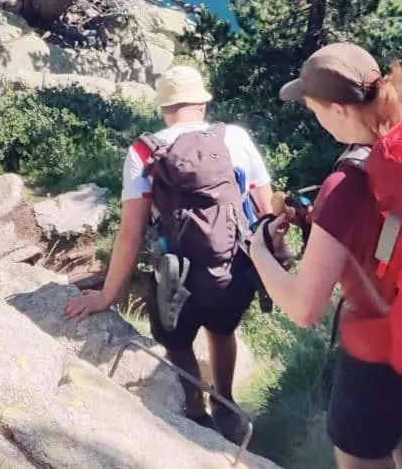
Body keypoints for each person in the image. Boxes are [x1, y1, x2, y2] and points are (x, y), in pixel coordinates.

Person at [244, 43, 402, 469]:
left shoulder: (345, 185)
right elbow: (383, 233)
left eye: (314, 109)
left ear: (337, 109)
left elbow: (303, 308)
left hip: (378, 347)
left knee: (358, 460)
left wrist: (258, 251)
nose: (315, 119)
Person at [63, 64, 273, 439]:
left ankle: (194, 411)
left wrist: (106, 296)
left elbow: (131, 231)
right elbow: (264, 207)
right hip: (235, 267)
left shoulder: (144, 151)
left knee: (176, 342)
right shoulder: (235, 138)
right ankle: (225, 403)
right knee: (222, 332)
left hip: (177, 272)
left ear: (164, 108)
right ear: (202, 105)